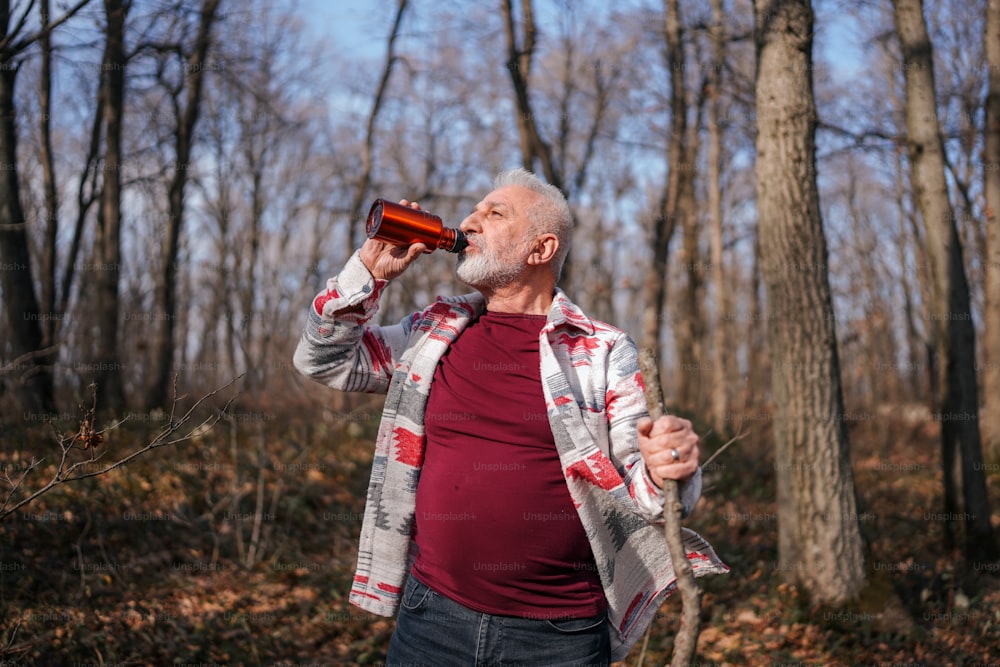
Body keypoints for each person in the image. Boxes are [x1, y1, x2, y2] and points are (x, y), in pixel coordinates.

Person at [294, 168, 727, 666]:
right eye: (474, 210)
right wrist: (367, 275)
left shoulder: (602, 351)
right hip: (431, 615)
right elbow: (323, 362)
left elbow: (651, 499)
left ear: (540, 250)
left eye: (494, 213)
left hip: (558, 636)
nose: (469, 222)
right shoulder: (432, 332)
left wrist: (672, 465)